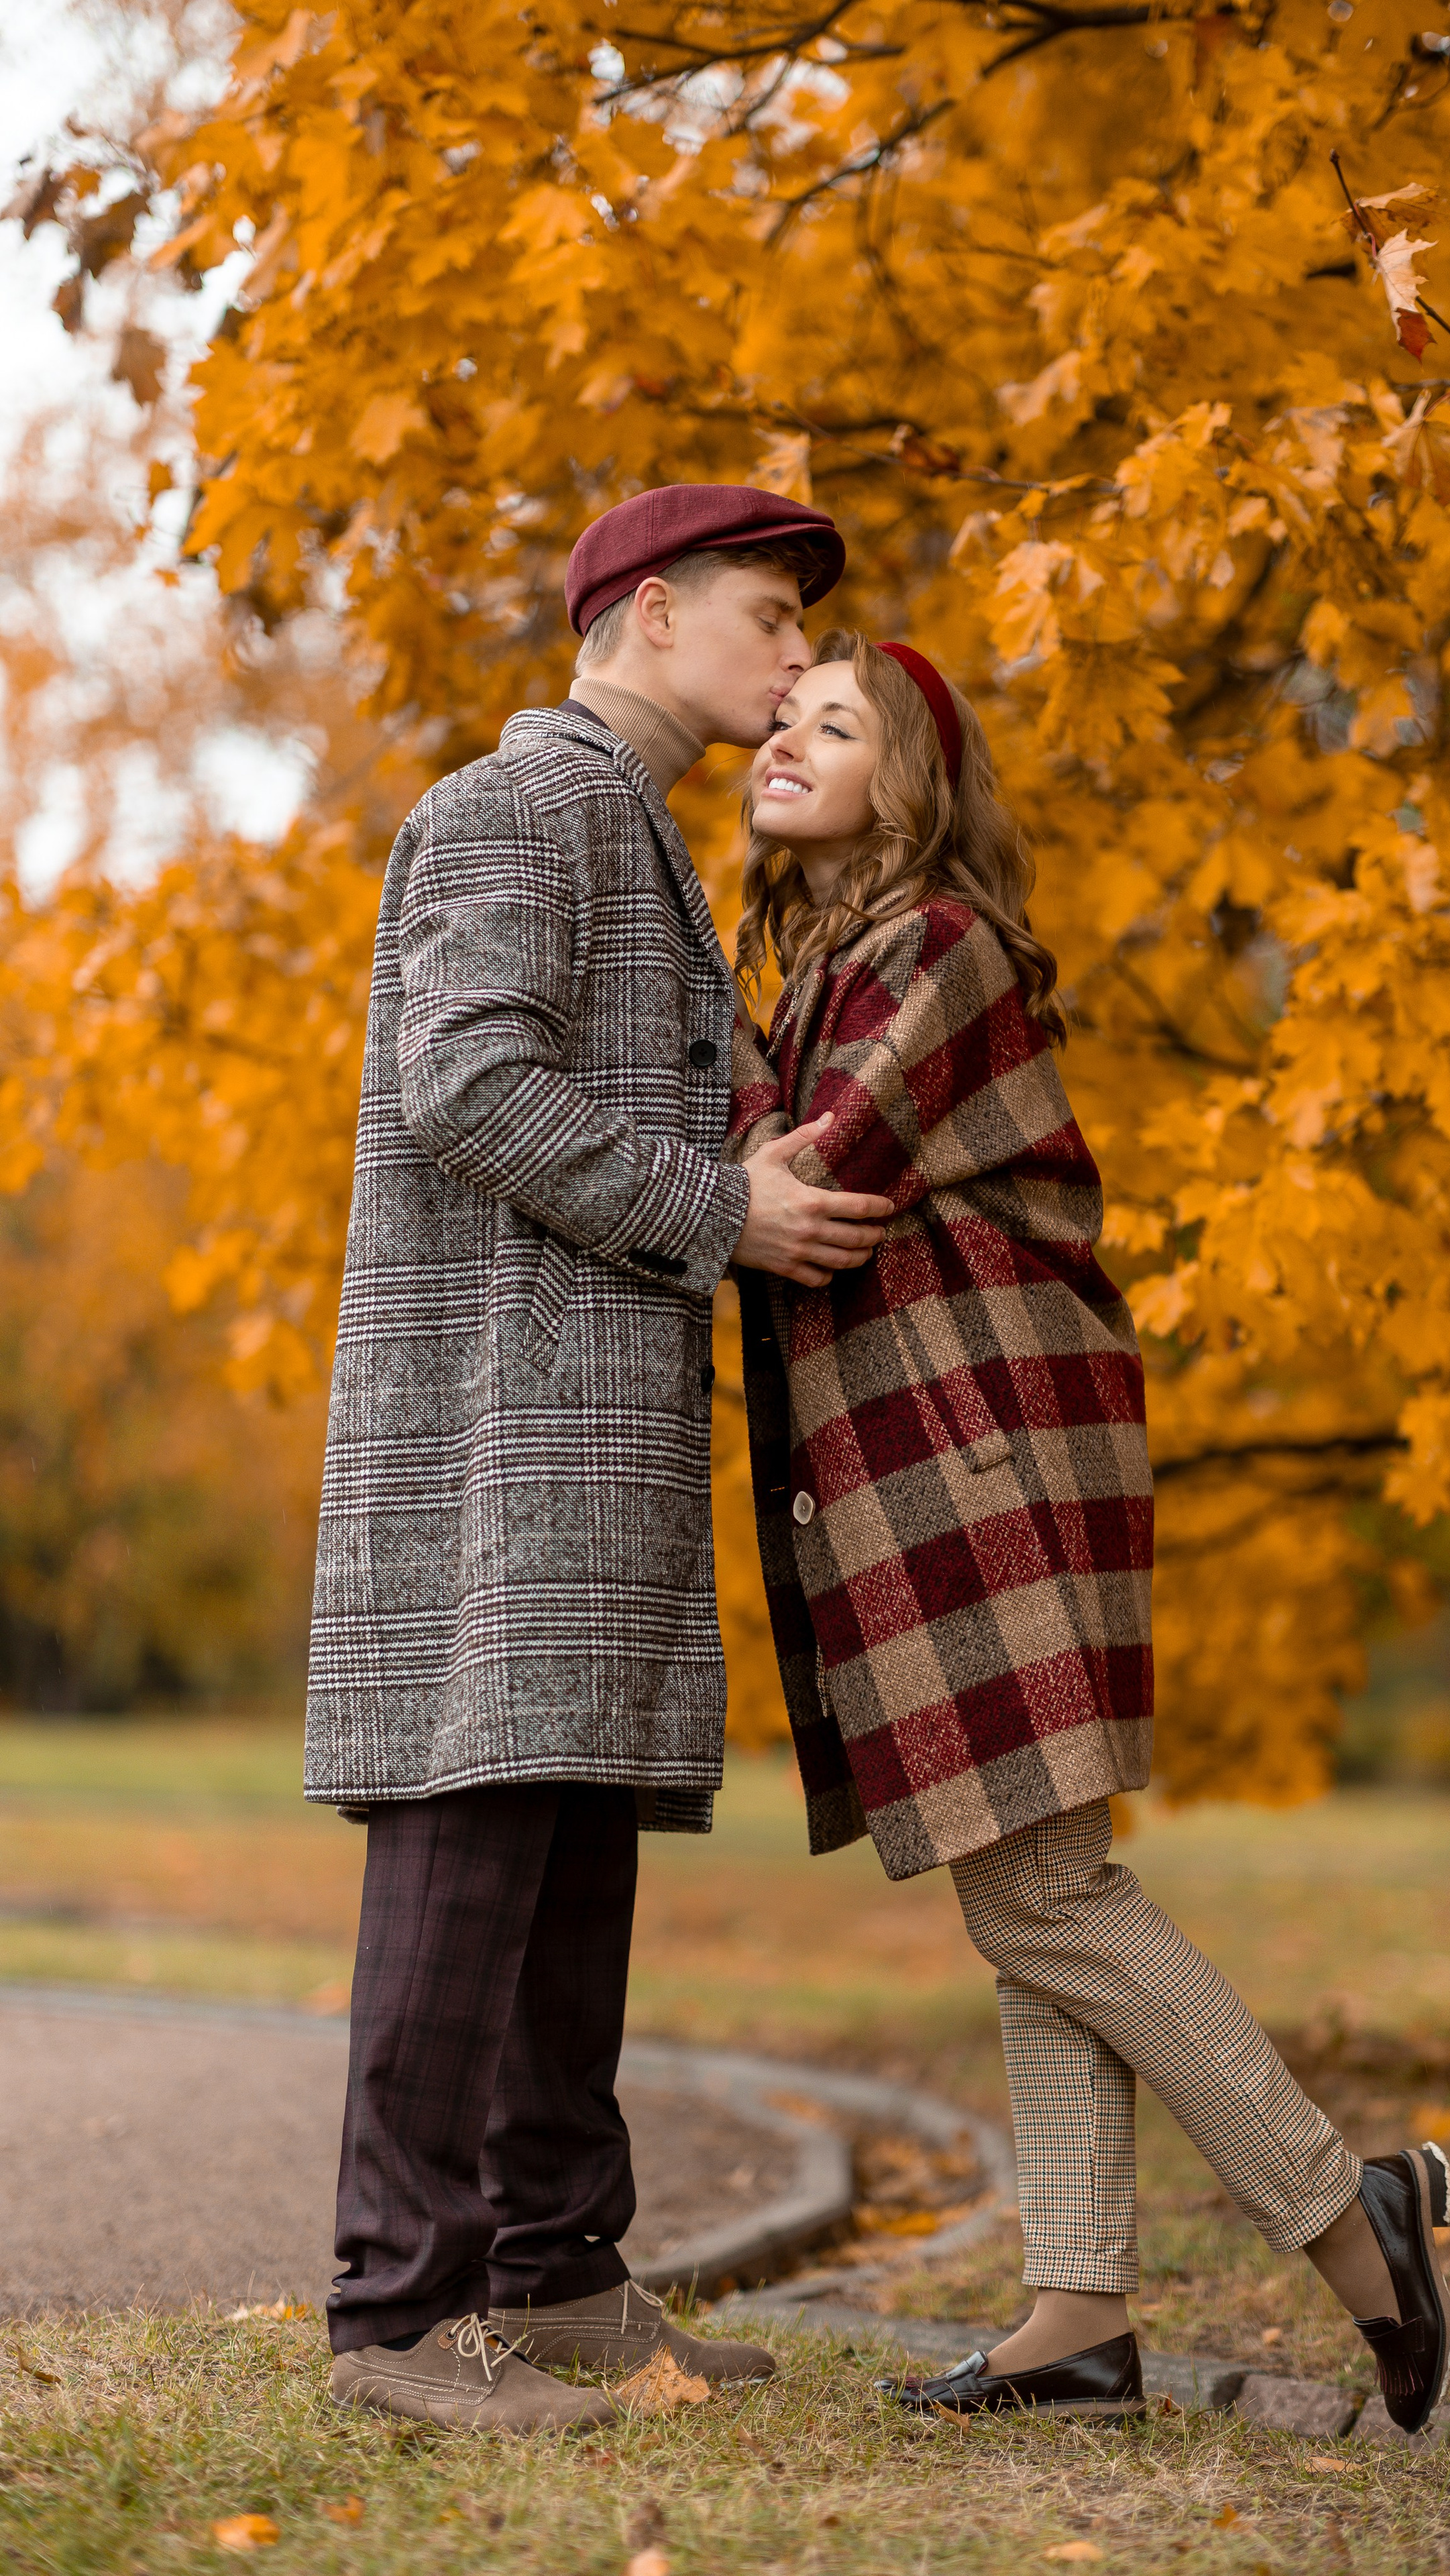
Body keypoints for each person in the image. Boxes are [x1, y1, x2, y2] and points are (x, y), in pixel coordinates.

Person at [724, 630, 1450, 2430]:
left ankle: (1341, 2208)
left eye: (838, 724)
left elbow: (813, 1175)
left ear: (911, 787)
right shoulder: (823, 968)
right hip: (926, 1463)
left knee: (1047, 1890)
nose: (785, 739)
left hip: (980, 1457)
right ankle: (1080, 2317)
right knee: (1026, 1889)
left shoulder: (944, 952)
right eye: (781, 716)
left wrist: (696, 1056)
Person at [306, 487, 897, 2436]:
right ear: (650, 614)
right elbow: (463, 1079)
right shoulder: (518, 805)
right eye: (768, 615)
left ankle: (559, 2278)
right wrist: (713, 1209)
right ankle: (396, 2319)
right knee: (474, 1831)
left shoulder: (629, 829)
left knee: (562, 1845)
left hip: (586, 1421)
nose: (798, 659)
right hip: (502, 1427)